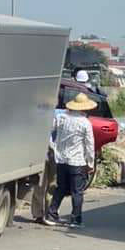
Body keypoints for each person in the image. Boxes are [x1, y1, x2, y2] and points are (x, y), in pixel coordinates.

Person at [45, 93, 96, 228]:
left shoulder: (61, 117)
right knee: (77, 191)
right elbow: (90, 145)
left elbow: (48, 131)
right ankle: (75, 219)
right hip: (77, 161)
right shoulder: (85, 123)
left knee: (60, 188)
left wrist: (53, 146)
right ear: (84, 108)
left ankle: (51, 215)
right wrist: (90, 163)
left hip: (60, 159)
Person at [31, 108, 66, 223]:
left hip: (53, 152)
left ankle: (49, 212)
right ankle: (40, 214)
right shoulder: (38, 113)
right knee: (41, 184)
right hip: (43, 152)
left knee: (51, 184)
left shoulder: (60, 114)